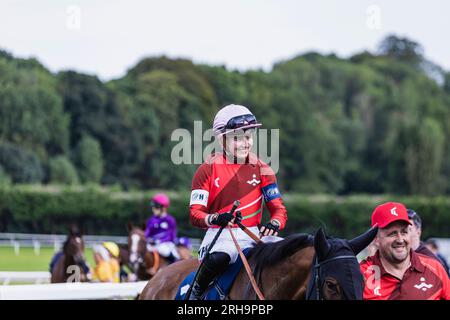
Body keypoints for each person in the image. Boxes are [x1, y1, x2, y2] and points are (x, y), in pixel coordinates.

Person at [188, 104, 288, 300]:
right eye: (237, 138)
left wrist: (275, 223)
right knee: (222, 257)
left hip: (254, 235)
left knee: (291, 255)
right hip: (221, 236)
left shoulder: (263, 169)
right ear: (221, 139)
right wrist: (216, 218)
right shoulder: (207, 169)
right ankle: (195, 293)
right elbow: (195, 214)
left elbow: (279, 209)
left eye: (248, 137)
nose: (244, 143)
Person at [360, 202, 450, 300]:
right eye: (392, 233)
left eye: (404, 232)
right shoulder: (361, 274)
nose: (400, 239)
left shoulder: (434, 268)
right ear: (375, 238)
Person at [144, 193, 180, 263]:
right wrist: (148, 239)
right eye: (153, 207)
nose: (153, 209)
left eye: (156, 207)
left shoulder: (170, 220)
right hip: (152, 244)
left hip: (166, 244)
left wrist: (159, 241)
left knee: (164, 250)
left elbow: (171, 236)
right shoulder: (151, 220)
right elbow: (147, 233)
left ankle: (174, 264)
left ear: (163, 208)